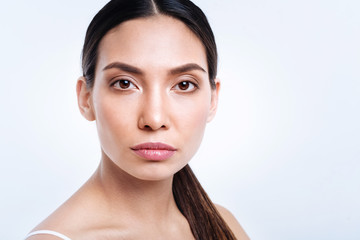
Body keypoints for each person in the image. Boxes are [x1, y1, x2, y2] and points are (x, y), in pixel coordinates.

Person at [25, 0, 249, 239]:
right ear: (85, 98)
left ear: (213, 100)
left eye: (184, 85)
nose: (154, 119)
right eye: (124, 84)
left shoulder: (224, 224)